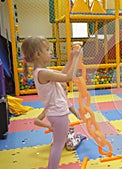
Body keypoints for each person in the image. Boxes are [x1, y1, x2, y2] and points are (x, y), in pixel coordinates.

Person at [21, 36, 81, 169]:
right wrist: (77, 58)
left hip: (55, 113)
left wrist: (71, 58)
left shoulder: (42, 72)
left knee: (58, 144)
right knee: (58, 146)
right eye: (47, 50)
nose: (50, 52)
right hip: (58, 114)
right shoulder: (42, 73)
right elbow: (68, 77)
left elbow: (62, 74)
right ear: (38, 54)